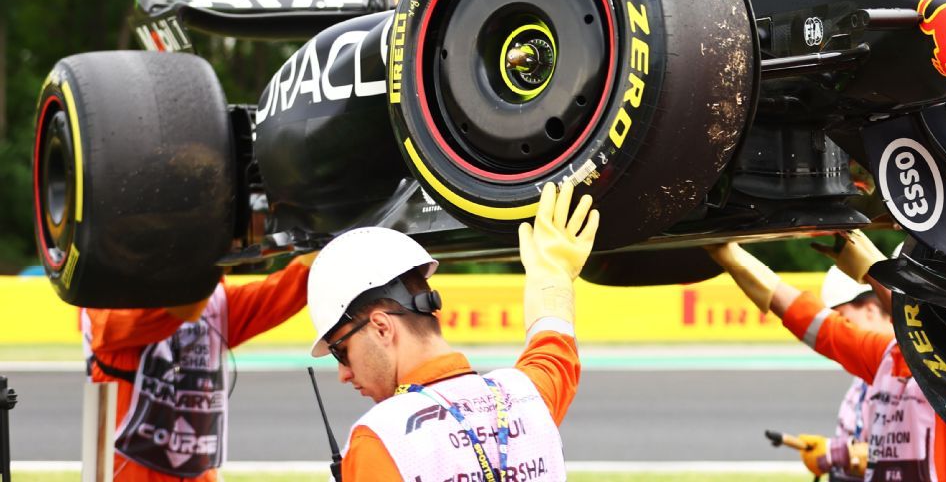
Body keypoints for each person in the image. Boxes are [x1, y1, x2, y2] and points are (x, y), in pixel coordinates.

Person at [307, 180, 597, 481]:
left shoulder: (380, 441)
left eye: (341, 351)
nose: (343, 374)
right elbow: (553, 347)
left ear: (381, 328)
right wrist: (553, 274)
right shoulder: (527, 396)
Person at [707, 232, 946, 482]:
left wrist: (874, 271)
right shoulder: (885, 355)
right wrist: (734, 260)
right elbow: (815, 323)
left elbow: (927, 330)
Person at [81, 253, 315, 481]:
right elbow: (168, 312)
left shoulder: (215, 301)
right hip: (126, 472)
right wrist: (209, 261)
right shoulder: (104, 304)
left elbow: (291, 287)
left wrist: (325, 239)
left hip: (196, 472)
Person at [789, 266, 893, 481]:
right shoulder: (866, 372)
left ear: (871, 310)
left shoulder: (905, 373)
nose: (838, 330)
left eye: (843, 319)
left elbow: (905, 451)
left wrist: (836, 453)